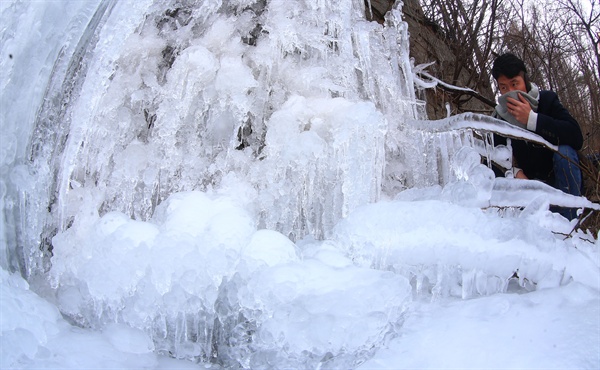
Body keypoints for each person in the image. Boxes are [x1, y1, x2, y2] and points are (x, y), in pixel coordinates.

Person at [491, 53, 583, 219]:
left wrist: (532, 119)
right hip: (527, 189)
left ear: (524, 81)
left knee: (566, 151)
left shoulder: (547, 101)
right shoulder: (498, 118)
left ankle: (571, 222)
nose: (510, 92)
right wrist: (514, 171)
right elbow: (494, 157)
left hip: (559, 182)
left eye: (515, 84)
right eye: (504, 87)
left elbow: (575, 136)